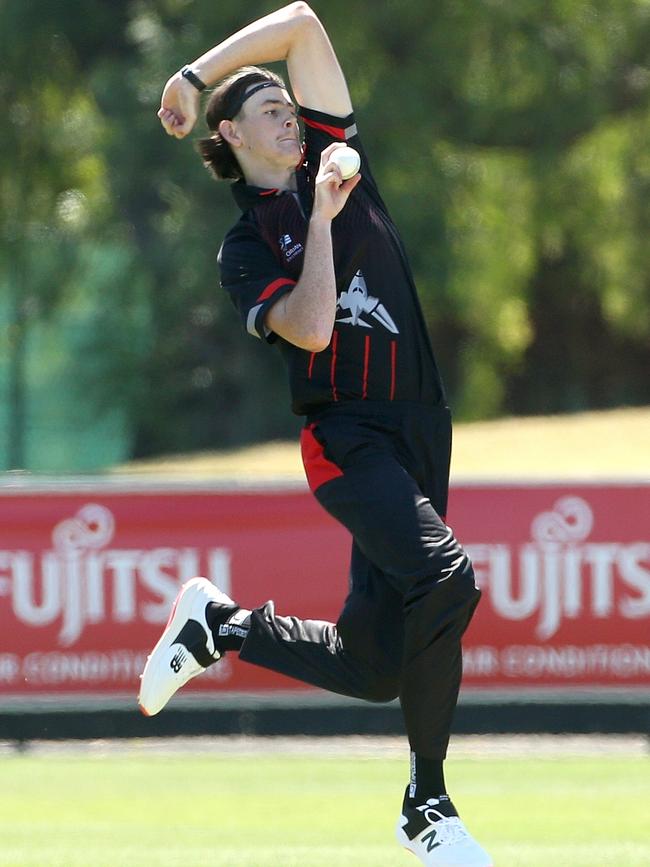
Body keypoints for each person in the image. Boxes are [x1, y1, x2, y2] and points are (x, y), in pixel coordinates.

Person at [139, 4, 492, 865]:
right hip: (347, 439)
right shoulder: (244, 245)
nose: (291, 118)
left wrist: (190, 71)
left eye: (293, 110)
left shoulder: (339, 157)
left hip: (420, 427)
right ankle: (428, 800)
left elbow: (299, 22)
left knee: (375, 668)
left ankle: (219, 626)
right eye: (271, 112)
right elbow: (310, 328)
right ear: (233, 134)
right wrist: (326, 218)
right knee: (447, 578)